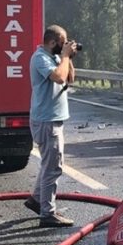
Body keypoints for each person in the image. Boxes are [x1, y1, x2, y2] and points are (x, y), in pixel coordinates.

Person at [26, 25, 79, 227]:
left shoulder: (56, 58)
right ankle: (47, 214)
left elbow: (69, 79)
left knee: (49, 164)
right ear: (52, 42)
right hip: (46, 121)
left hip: (54, 119)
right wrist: (64, 56)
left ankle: (36, 200)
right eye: (62, 42)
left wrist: (68, 58)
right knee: (53, 168)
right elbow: (57, 77)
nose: (65, 45)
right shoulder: (40, 57)